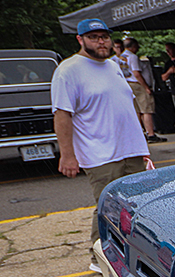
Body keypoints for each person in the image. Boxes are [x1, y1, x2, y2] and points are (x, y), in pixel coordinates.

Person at [51, 18, 150, 254]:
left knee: (136, 203)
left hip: (131, 149)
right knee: (108, 206)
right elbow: (62, 115)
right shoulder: (68, 70)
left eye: (104, 37)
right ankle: (100, 254)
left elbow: (127, 105)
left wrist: (142, 144)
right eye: (93, 37)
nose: (101, 42)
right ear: (80, 39)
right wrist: (67, 156)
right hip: (100, 153)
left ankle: (130, 250)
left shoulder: (113, 66)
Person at [122, 37, 163, 143]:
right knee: (146, 109)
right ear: (133, 46)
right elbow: (136, 73)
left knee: (136, 110)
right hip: (137, 84)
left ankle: (138, 133)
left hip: (126, 84)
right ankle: (151, 134)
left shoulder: (120, 57)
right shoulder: (133, 57)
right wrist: (146, 87)